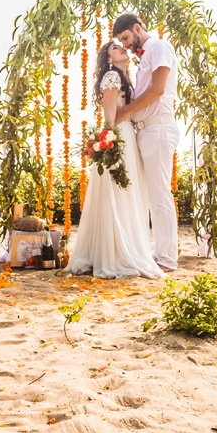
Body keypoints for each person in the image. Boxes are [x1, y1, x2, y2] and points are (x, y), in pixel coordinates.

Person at [65, 41, 164, 279]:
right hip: (119, 135)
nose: (120, 48)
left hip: (128, 133)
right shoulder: (112, 76)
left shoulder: (125, 76)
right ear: (108, 58)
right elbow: (110, 114)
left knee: (127, 191)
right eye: (113, 48)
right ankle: (116, 252)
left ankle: (127, 246)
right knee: (119, 191)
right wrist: (109, 143)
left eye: (121, 45)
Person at [113, 13, 180, 272]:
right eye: (121, 41)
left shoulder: (159, 46)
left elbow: (159, 89)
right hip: (145, 131)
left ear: (137, 28)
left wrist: (125, 112)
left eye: (125, 38)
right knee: (150, 196)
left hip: (158, 129)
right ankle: (155, 252)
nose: (125, 44)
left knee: (160, 195)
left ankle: (166, 258)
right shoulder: (143, 58)